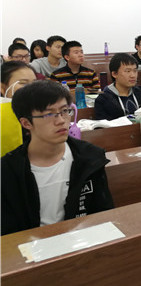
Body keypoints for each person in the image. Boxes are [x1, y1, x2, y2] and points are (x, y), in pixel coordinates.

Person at [2, 80, 114, 235]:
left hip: (83, 239)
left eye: (65, 111)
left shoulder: (90, 157)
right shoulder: (7, 170)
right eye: (49, 114)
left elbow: (104, 211)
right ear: (26, 123)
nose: (61, 120)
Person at [94, 53, 141, 120]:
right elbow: (103, 125)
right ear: (114, 74)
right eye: (128, 71)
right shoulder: (103, 100)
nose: (133, 75)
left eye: (135, 71)